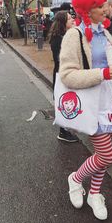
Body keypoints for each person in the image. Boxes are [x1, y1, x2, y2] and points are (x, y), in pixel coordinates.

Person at [59, 0, 112, 220]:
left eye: (105, 5)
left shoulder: (105, 34)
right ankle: (75, 179)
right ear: (87, 11)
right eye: (100, 6)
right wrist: (103, 74)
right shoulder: (74, 36)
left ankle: (95, 193)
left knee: (104, 152)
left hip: (110, 103)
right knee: (106, 156)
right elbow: (67, 75)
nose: (106, 8)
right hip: (91, 104)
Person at [49, 10, 78, 142]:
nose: (72, 19)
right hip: (61, 75)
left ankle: (67, 129)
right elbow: (59, 59)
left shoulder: (66, 35)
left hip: (67, 73)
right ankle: (63, 132)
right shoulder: (57, 38)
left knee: (69, 100)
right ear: (62, 22)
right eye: (69, 18)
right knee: (63, 100)